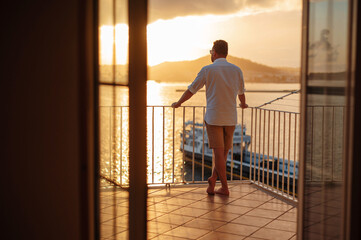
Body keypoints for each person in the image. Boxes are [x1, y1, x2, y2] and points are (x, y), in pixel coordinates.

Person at [171, 40, 248, 196]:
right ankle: (213, 180)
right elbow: (241, 93)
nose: (210, 54)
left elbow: (191, 90)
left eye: (211, 52)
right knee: (224, 153)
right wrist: (243, 104)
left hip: (214, 117)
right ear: (226, 52)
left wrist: (178, 103)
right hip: (231, 118)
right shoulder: (236, 70)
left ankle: (224, 187)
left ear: (214, 52)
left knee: (218, 154)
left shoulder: (207, 70)